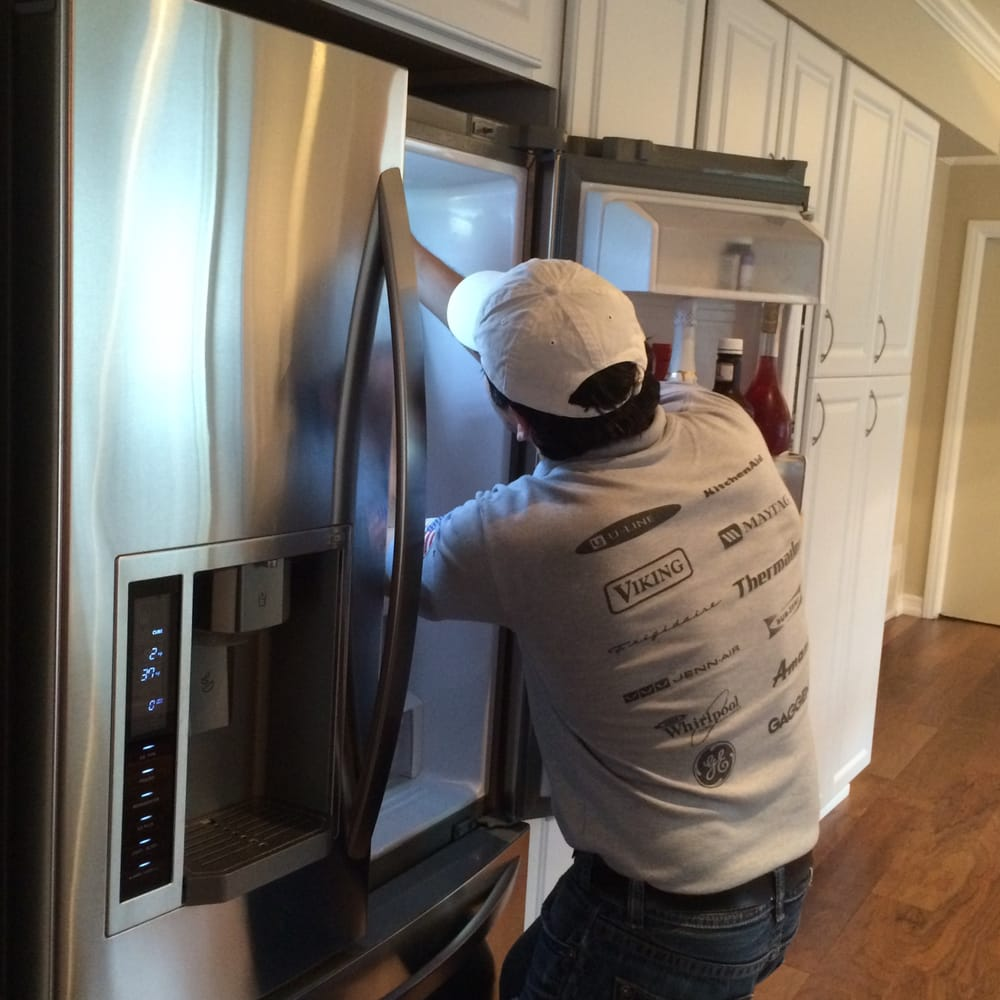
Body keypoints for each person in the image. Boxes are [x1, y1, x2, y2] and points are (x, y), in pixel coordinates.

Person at [413, 243, 819, 1000]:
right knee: (529, 972)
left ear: (515, 422)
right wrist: (394, 239)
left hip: (661, 923)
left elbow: (390, 565)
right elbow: (514, 343)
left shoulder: (523, 535)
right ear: (643, 363)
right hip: (779, 877)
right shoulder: (723, 423)